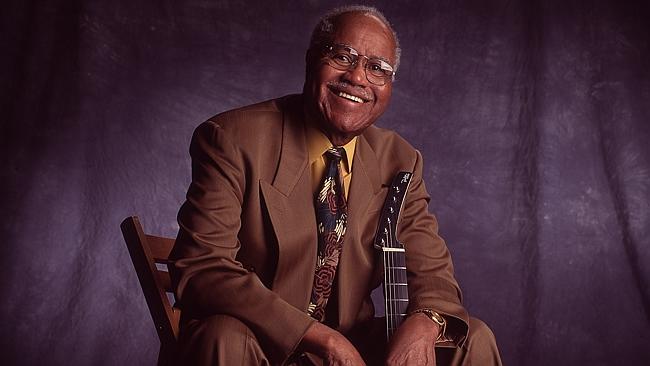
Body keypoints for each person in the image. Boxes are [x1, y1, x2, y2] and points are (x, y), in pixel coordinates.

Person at [169, 5, 502, 366]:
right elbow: (203, 268)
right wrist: (321, 338)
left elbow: (434, 274)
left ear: (389, 86)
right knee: (224, 336)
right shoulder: (233, 139)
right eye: (342, 56)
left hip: (355, 345)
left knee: (472, 337)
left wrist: (426, 322)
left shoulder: (400, 160)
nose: (358, 77)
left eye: (377, 68)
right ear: (312, 60)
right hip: (259, 340)